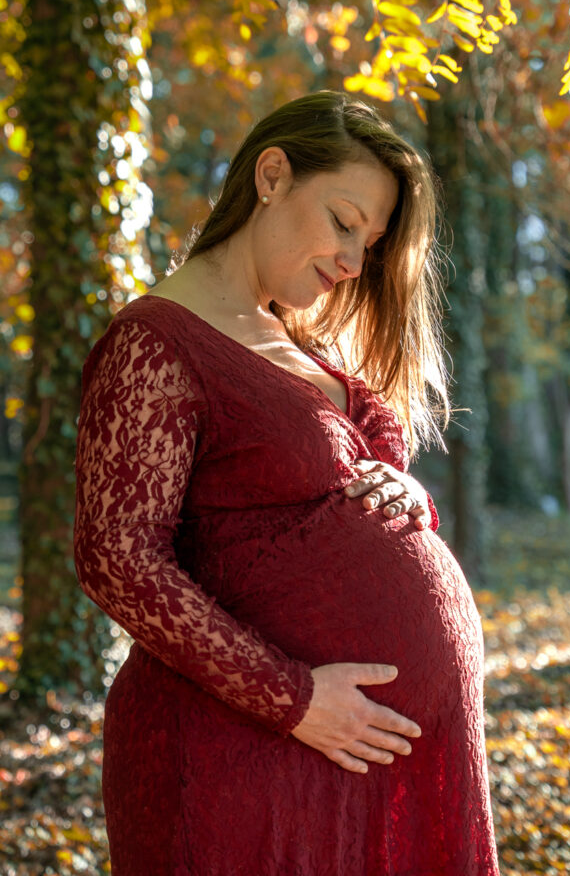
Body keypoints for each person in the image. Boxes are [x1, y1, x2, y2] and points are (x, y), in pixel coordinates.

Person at [73, 90, 500, 875]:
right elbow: (117, 557)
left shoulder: (290, 342)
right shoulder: (155, 344)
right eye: (343, 221)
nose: (352, 260)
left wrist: (407, 498)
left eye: (369, 243)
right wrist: (292, 700)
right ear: (271, 175)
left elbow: (321, 502)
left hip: (364, 760)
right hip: (242, 758)